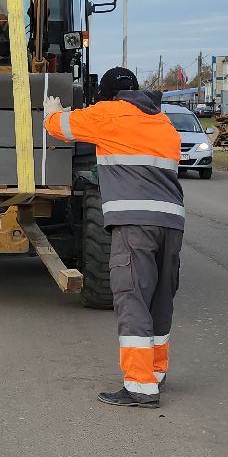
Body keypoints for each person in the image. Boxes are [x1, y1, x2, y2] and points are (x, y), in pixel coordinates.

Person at [42, 66, 184, 408]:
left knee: (132, 297)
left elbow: (61, 128)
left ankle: (139, 387)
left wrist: (51, 112)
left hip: (135, 224)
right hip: (172, 223)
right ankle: (155, 373)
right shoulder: (163, 122)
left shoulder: (108, 114)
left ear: (106, 95)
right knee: (159, 299)